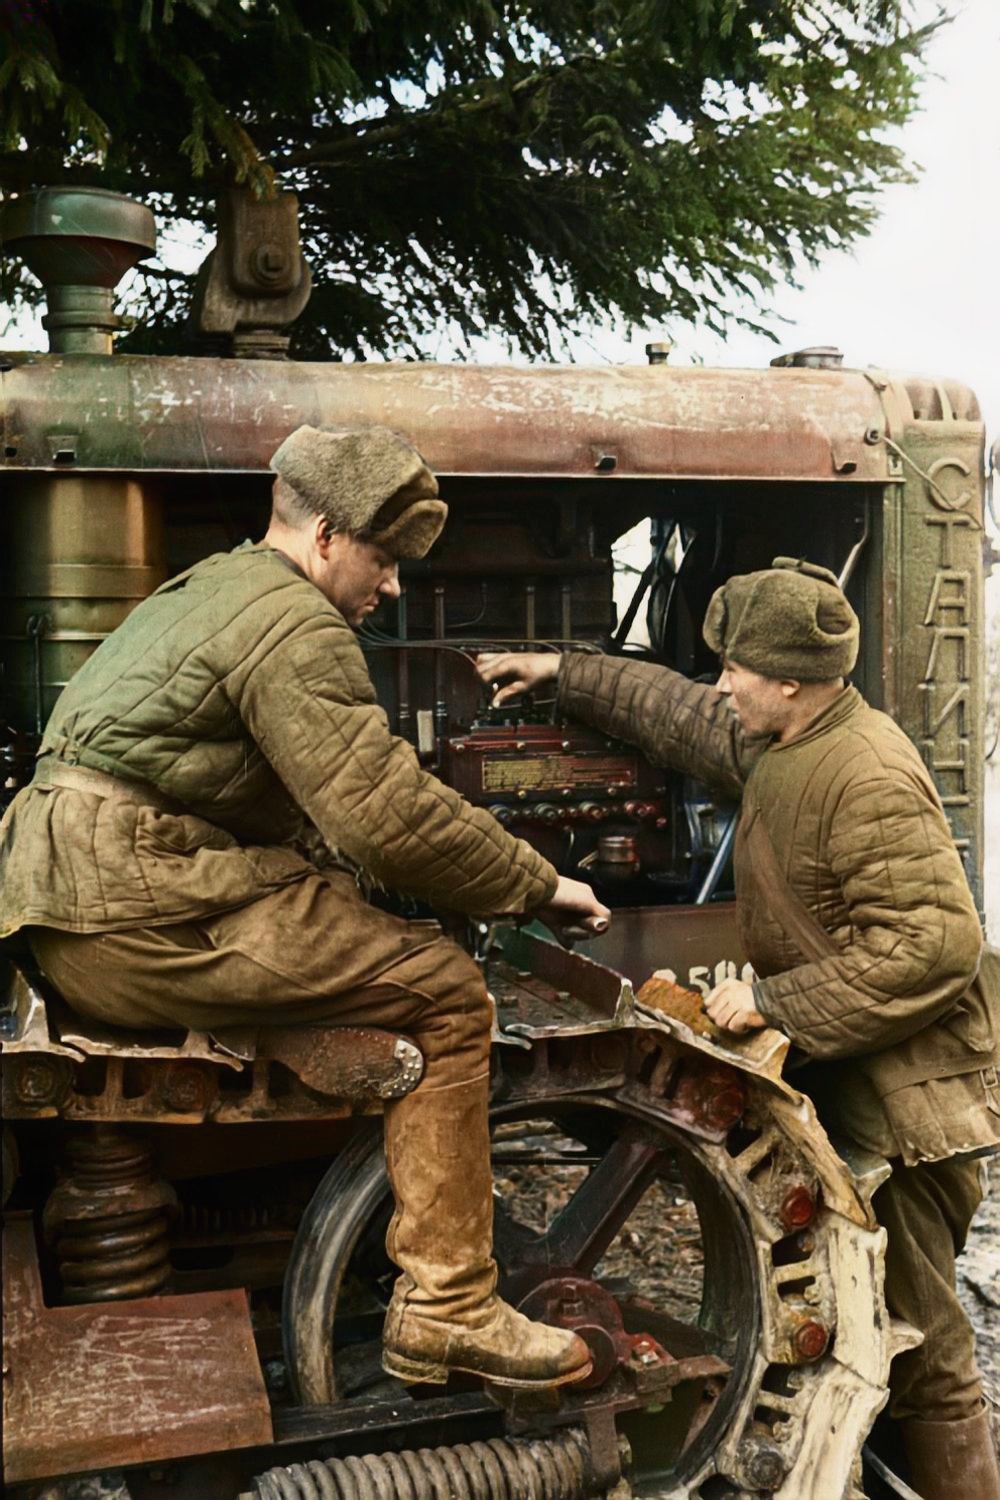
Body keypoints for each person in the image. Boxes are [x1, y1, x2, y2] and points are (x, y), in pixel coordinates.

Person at [0, 423, 610, 1391]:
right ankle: (446, 1308)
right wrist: (537, 882)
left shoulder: (209, 589)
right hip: (140, 910)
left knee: (342, 925)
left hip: (75, 910)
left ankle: (313, 1081)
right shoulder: (294, 625)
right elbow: (384, 815)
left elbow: (297, 815)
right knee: (447, 994)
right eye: (384, 557)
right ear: (325, 536)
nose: (394, 586)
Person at [478, 556, 1000, 1498]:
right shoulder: (786, 736)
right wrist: (562, 672)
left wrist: (772, 1002)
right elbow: (681, 713)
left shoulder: (866, 772)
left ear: (791, 681)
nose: (724, 683)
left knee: (925, 1347)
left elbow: (935, 943)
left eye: (739, 670)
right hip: (856, 1085)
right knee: (858, 1324)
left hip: (912, 1112)